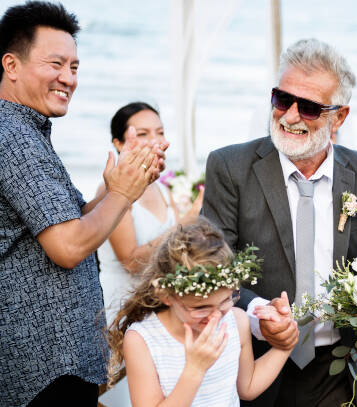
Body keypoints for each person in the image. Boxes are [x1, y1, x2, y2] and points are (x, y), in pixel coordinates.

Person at [202, 38, 357, 407]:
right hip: (253, 362)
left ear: (339, 116)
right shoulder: (230, 168)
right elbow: (214, 271)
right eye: (281, 99)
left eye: (308, 108)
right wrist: (261, 315)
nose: (289, 116)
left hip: (338, 368)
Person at [0, 3, 166, 406]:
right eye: (55, 64)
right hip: (42, 366)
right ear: (11, 65)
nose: (68, 78)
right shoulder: (13, 136)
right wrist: (124, 195)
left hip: (56, 361)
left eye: (74, 67)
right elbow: (69, 246)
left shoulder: (28, 131)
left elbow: (72, 220)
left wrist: (116, 190)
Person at [106, 218, 294, 406]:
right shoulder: (143, 339)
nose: (216, 316)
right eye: (200, 307)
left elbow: (248, 388)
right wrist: (194, 370)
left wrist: (285, 345)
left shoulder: (236, 321)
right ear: (166, 295)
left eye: (225, 300)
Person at [97, 102, 203, 406]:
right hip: (120, 306)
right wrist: (186, 221)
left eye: (159, 132)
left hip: (156, 306)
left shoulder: (160, 188)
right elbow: (131, 259)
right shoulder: (112, 191)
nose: (154, 140)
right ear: (118, 143)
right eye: (142, 133)